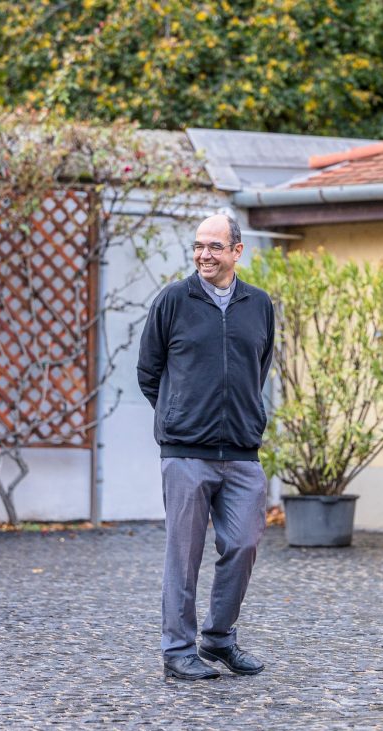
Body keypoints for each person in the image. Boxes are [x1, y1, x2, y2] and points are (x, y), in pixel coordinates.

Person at [136, 214, 275, 680]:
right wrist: (179, 413)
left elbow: (258, 367)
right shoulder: (173, 300)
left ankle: (218, 638)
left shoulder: (259, 305)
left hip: (242, 452)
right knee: (184, 555)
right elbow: (149, 371)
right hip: (185, 452)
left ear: (237, 251)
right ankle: (178, 650)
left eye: (215, 246)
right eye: (199, 246)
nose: (204, 255)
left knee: (244, 544)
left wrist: (243, 416)